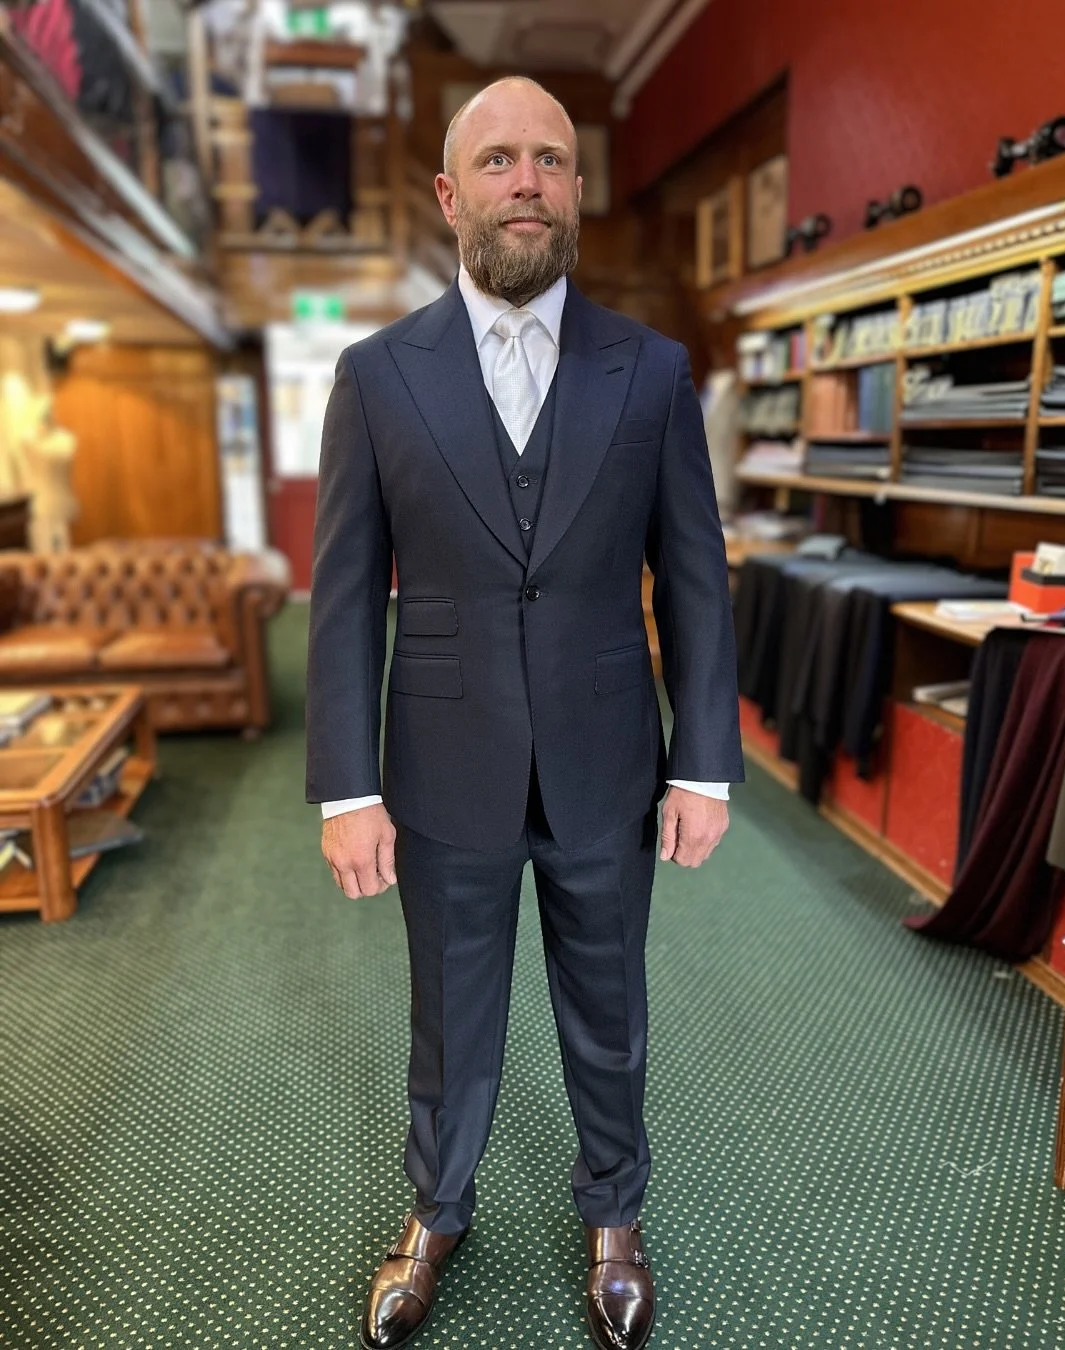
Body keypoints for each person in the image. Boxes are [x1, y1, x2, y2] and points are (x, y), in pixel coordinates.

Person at [306, 75, 744, 1350]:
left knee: (609, 1010)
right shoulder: (377, 376)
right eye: (497, 161)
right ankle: (437, 1209)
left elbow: (699, 578)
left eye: (550, 159)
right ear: (451, 196)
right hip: (442, 764)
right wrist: (347, 786)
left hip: (611, 758)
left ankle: (616, 1211)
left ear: (576, 189)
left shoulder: (652, 372)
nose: (526, 183)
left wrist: (704, 766)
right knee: (451, 1008)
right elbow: (343, 598)